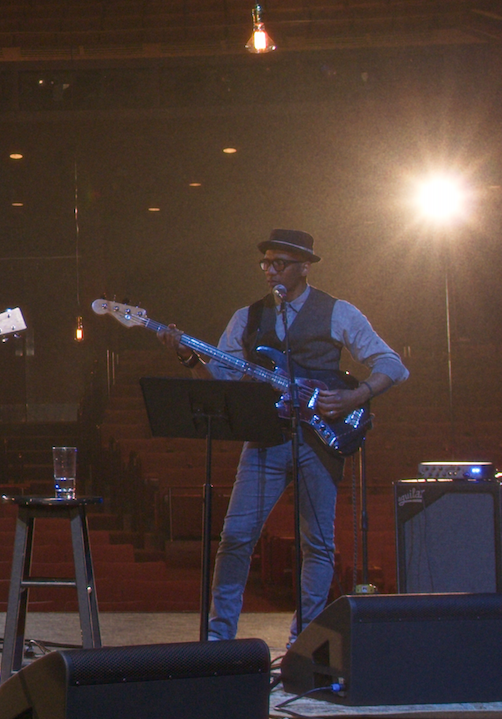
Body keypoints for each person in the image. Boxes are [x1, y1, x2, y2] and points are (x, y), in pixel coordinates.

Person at [158, 229, 405, 643]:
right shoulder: (249, 317)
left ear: (304, 268)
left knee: (318, 544)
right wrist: (188, 355)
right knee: (235, 537)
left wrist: (354, 396)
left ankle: (303, 641)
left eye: (280, 264)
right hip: (266, 438)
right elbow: (221, 381)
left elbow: (392, 364)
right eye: (266, 263)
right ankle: (220, 640)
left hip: (321, 441)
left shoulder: (338, 311)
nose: (270, 270)